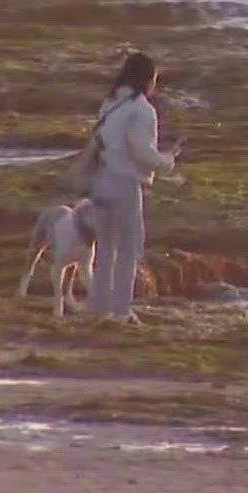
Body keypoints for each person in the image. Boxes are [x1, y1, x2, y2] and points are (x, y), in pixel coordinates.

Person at [83, 52, 181, 323]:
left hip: (101, 181)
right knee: (127, 250)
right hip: (124, 184)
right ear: (147, 79)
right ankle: (120, 311)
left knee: (104, 251)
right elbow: (141, 152)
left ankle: (99, 309)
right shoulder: (141, 109)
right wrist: (167, 161)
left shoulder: (110, 103)